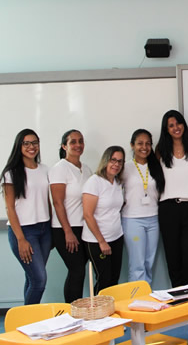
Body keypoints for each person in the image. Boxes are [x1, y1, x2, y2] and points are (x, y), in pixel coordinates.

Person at [1, 129, 51, 304]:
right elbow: (10, 209)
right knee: (39, 281)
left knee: (32, 278)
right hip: (24, 232)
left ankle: (25, 322)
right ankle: (28, 321)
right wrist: (21, 239)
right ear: (19, 146)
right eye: (27, 143)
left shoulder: (44, 169)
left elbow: (47, 201)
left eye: (35, 143)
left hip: (44, 230)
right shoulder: (11, 172)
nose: (32, 147)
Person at [156, 110, 188, 288]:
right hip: (168, 208)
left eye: (178, 123)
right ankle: (179, 301)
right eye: (171, 125)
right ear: (166, 129)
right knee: (172, 256)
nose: (176, 128)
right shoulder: (161, 150)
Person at [49, 129, 93, 302]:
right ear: (64, 146)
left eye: (80, 141)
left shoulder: (86, 169)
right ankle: (72, 313)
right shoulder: (59, 169)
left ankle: (78, 310)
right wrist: (68, 232)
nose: (78, 145)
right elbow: (58, 202)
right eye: (73, 142)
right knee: (77, 270)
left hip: (84, 228)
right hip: (65, 228)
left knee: (79, 270)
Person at [121, 129, 165, 285]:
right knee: (137, 264)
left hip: (153, 218)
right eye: (140, 143)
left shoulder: (156, 166)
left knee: (148, 263)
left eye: (148, 144)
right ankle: (136, 300)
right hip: (133, 220)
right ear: (132, 145)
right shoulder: (124, 167)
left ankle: (145, 297)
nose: (144, 147)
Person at [82, 146, 125, 294]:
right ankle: (97, 314)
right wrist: (101, 241)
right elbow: (88, 214)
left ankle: (110, 315)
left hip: (116, 237)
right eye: (113, 160)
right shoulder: (94, 182)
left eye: (120, 161)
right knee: (104, 279)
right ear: (105, 161)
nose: (116, 164)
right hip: (97, 241)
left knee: (114, 279)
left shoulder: (118, 183)